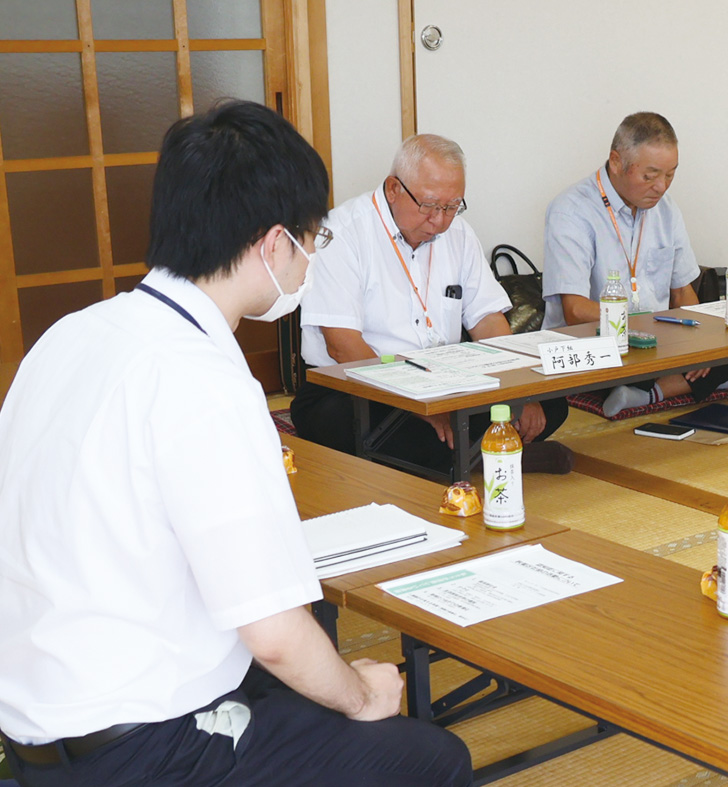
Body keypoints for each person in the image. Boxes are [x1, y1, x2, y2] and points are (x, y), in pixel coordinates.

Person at [0, 101, 472, 787]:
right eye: (314, 240)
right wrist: (362, 693)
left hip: (30, 725)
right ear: (273, 242)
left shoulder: (71, 334)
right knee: (430, 758)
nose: (312, 260)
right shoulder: (203, 377)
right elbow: (275, 635)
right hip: (143, 750)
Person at [291, 134, 571, 476]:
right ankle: (495, 458)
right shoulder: (342, 233)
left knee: (552, 402)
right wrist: (417, 404)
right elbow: (343, 346)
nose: (440, 221)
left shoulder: (459, 234)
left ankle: (462, 461)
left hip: (448, 381)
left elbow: (487, 320)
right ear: (394, 188)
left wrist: (518, 392)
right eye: (429, 205)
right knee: (360, 426)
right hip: (362, 388)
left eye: (453, 206)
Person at [542, 111, 728, 417]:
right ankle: (681, 383)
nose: (662, 187)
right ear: (616, 162)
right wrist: (645, 333)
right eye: (650, 175)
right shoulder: (571, 211)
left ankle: (652, 392)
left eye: (670, 175)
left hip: (660, 345)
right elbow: (575, 310)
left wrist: (700, 343)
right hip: (599, 343)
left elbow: (683, 293)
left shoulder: (666, 210)